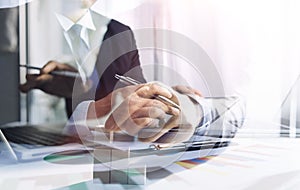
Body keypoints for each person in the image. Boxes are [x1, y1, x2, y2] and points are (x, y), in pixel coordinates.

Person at [19, 0, 237, 144]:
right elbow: (119, 104)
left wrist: (189, 108)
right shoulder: (113, 27)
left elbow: (235, 108)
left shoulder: (202, 16)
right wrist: (79, 88)